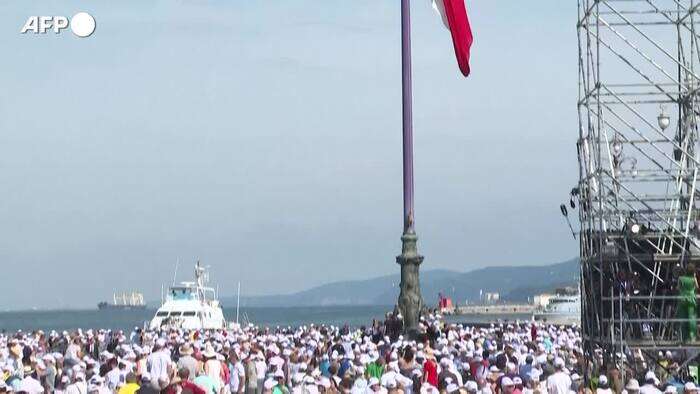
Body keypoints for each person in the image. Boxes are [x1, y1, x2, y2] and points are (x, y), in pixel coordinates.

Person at [678, 264, 699, 342]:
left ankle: (684, 338)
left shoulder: (681, 278)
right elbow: (697, 287)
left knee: (683, 318)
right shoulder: (694, 279)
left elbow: (678, 288)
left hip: (683, 299)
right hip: (691, 298)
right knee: (692, 318)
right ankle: (692, 336)